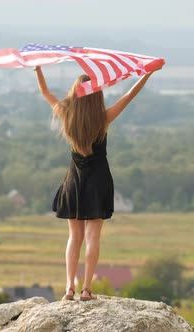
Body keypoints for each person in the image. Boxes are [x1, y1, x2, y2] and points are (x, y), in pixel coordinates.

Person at [34, 64, 163, 301]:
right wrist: (148, 73)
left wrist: (38, 70)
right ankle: (86, 289)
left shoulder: (66, 114)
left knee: (74, 237)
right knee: (93, 237)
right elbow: (129, 95)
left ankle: (68, 289)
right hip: (98, 182)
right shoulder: (103, 119)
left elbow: (46, 93)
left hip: (74, 181)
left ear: (75, 93)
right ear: (96, 96)